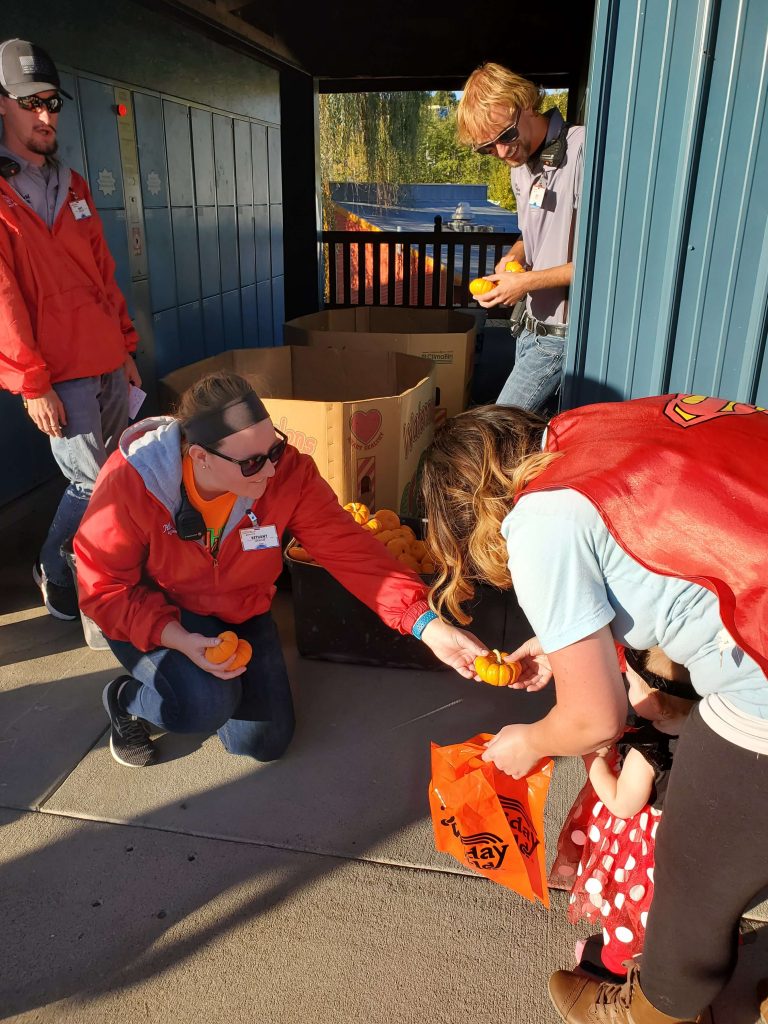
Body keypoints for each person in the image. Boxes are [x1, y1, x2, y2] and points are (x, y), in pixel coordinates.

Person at [420, 396, 768, 1024]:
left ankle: (654, 1010)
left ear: (472, 514)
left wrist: (529, 741)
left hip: (762, 663)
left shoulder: (538, 521)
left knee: (692, 875)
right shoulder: (592, 428)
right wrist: (566, 640)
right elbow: (658, 548)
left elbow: (594, 720)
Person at [73, 370, 484, 769]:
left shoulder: (289, 475)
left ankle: (207, 692)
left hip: (241, 608)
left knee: (263, 743)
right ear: (199, 456)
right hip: (159, 613)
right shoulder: (132, 482)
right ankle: (127, 700)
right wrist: (179, 639)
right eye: (252, 463)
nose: (270, 471)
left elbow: (353, 552)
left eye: (274, 450)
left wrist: (427, 624)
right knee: (204, 705)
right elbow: (102, 590)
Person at [0, 38, 140, 621]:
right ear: (2, 104)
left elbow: (103, 274)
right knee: (92, 482)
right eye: (30, 102)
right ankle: (57, 567)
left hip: (107, 359)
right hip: (60, 373)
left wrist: (127, 348)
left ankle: (101, 568)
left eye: (52, 103)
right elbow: (2, 298)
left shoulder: (72, 184)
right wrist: (31, 383)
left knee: (114, 475)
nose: (44, 116)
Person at [550, 647, 697, 982]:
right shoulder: (711, 734)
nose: (628, 690)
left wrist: (594, 761)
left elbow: (621, 802)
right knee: (682, 911)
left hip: (647, 850)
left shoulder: (649, 752)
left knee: (631, 906)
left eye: (632, 684)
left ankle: (616, 964)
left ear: (656, 704)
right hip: (689, 839)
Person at [456, 63, 585, 411]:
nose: (501, 152)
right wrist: (514, 258)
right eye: (487, 148)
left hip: (560, 337)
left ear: (526, 103)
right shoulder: (520, 166)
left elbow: (603, 263)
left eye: (506, 136)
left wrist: (525, 283)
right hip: (527, 331)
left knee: (496, 433)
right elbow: (532, 236)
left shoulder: (582, 150)